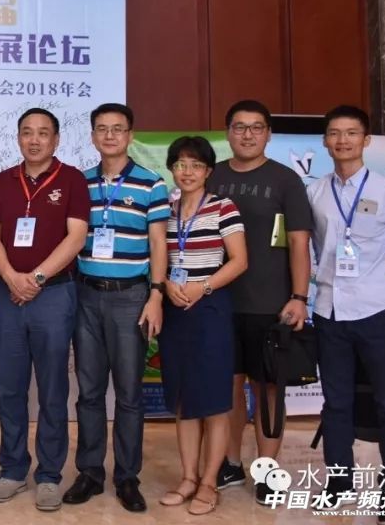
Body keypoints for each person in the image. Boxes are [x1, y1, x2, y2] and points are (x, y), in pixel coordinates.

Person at [307, 105, 385, 524]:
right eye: (335, 133)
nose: (343, 141)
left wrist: (375, 290)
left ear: (366, 140)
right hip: (329, 312)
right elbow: (315, 249)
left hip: (378, 312)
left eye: (351, 133)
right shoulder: (315, 192)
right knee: (336, 403)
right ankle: (339, 484)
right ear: (325, 141)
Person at [0, 107, 90, 512]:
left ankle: (49, 475)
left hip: (54, 295)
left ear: (56, 140)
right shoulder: (2, 181)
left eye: (43, 133)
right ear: (17, 138)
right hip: (7, 296)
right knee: (9, 387)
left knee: (52, 387)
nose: (34, 139)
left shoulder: (72, 179)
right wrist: (12, 277)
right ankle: (12, 469)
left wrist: (36, 279)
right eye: (27, 132)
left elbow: (76, 237)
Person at [206, 100, 312, 503]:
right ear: (227, 133)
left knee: (268, 391)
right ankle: (231, 463)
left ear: (268, 133)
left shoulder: (285, 180)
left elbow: (299, 242)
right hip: (219, 302)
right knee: (228, 387)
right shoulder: (212, 176)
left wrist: (299, 296)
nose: (247, 134)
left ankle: (267, 470)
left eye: (256, 127)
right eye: (239, 127)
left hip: (270, 303)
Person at [65, 103, 168, 513]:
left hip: (131, 298)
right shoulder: (79, 183)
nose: (109, 136)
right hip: (86, 296)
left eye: (118, 129)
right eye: (102, 129)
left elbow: (158, 243)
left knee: (128, 393)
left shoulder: (151, 183)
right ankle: (90, 472)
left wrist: (156, 294)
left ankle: (127, 477)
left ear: (130, 135)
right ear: (92, 135)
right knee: (89, 391)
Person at [157, 135, 247, 516]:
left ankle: (210, 482)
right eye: (180, 164)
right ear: (172, 169)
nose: (187, 172)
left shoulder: (223, 207)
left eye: (196, 165)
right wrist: (166, 285)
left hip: (210, 308)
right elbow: (158, 256)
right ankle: (188, 478)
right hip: (175, 309)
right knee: (184, 399)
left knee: (213, 400)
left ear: (208, 171)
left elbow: (239, 260)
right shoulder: (167, 209)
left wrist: (203, 286)